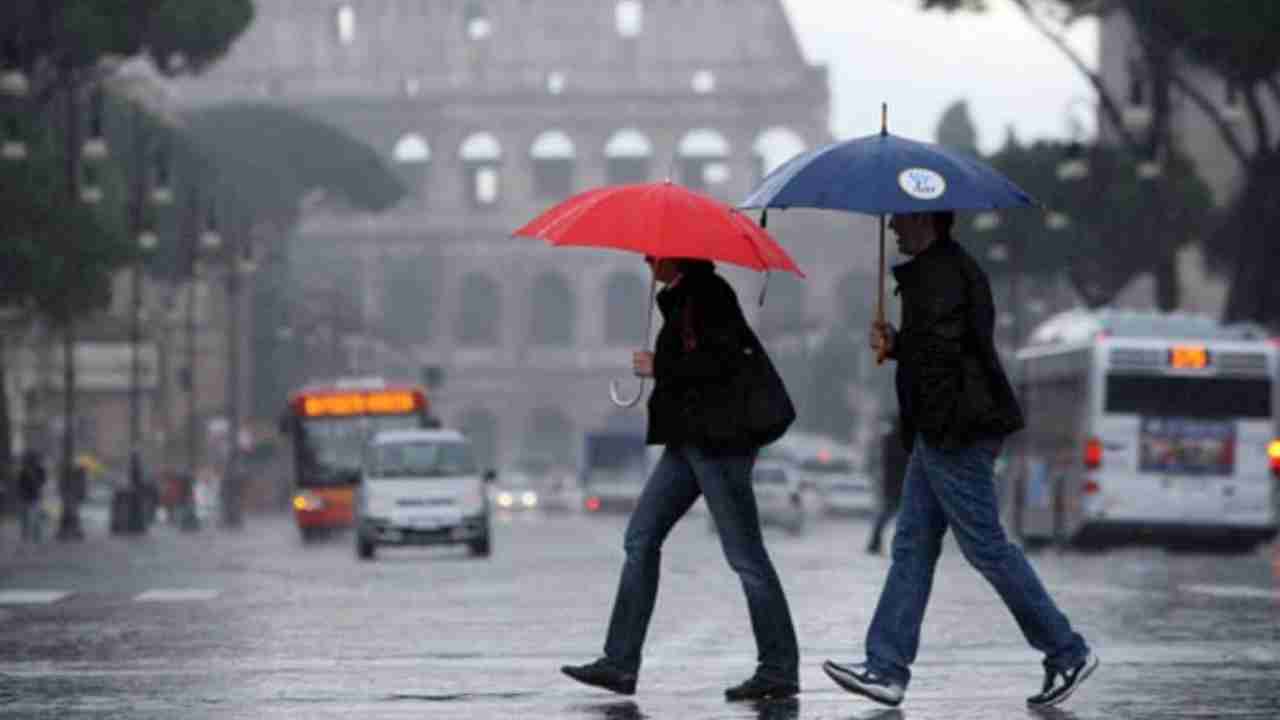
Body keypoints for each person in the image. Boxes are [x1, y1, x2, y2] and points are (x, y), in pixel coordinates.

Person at [822, 211, 1097, 709]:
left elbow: (944, 361)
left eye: (900, 219)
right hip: (941, 430)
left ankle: (1066, 651)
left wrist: (907, 358)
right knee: (912, 547)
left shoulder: (944, 275)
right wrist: (899, 345)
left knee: (986, 548)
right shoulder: (939, 272)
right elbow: (938, 350)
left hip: (954, 431)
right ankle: (886, 668)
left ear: (925, 219)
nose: (892, 227)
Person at [562, 256, 800, 701]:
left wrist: (660, 367)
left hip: (719, 443)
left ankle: (779, 668)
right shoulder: (681, 299)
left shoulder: (709, 294)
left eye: (655, 254)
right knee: (641, 539)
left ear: (679, 255)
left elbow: (720, 366)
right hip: (688, 441)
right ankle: (620, 662)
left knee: (746, 557)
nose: (647, 259)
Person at [866, 416, 907, 555]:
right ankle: (876, 543)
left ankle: (875, 543)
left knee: (887, 514)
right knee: (893, 514)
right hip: (899, 482)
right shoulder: (897, 440)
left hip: (891, 483)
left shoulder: (888, 439)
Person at [17, 450, 47, 544]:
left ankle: (35, 536)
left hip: (34, 497)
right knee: (26, 517)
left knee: (34, 517)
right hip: (27, 497)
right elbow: (20, 484)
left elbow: (42, 482)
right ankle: (27, 536)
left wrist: (34, 481)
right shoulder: (24, 471)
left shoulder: (39, 470)